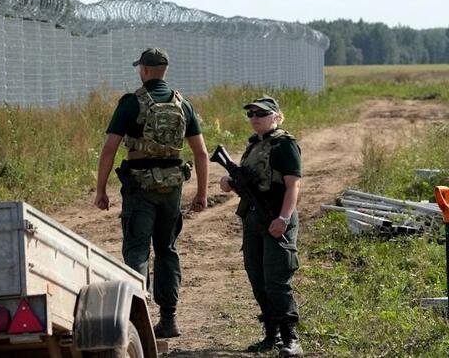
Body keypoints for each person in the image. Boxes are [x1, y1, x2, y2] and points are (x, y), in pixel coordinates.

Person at [94, 47, 209, 339]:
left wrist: (101, 189)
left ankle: (137, 319)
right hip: (172, 187)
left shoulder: (131, 103)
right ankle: (169, 319)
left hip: (140, 187)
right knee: (167, 249)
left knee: (137, 250)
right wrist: (201, 194)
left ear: (144, 70)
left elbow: (109, 149)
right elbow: (201, 153)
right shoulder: (183, 104)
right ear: (164, 71)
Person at [219, 96, 303, 357]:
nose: (255, 118)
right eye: (251, 114)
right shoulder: (254, 145)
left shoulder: (285, 145)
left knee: (276, 280)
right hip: (253, 219)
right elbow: (249, 184)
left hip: (276, 218)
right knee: (257, 278)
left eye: (261, 113)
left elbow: (293, 186)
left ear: (276, 116)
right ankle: (271, 335)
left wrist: (284, 219)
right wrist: (230, 182)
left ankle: (290, 338)